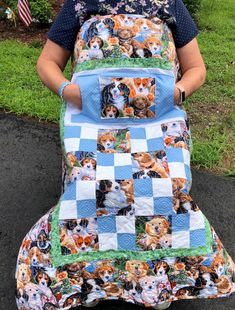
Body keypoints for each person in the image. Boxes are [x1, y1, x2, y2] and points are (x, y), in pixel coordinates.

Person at [15, 1, 235, 310]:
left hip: (155, 119)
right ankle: (85, 271)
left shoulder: (168, 5)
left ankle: (159, 278)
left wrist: (178, 93)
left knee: (163, 185)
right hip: (94, 118)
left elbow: (196, 67)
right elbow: (47, 62)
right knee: (92, 185)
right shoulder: (80, 5)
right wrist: (70, 91)